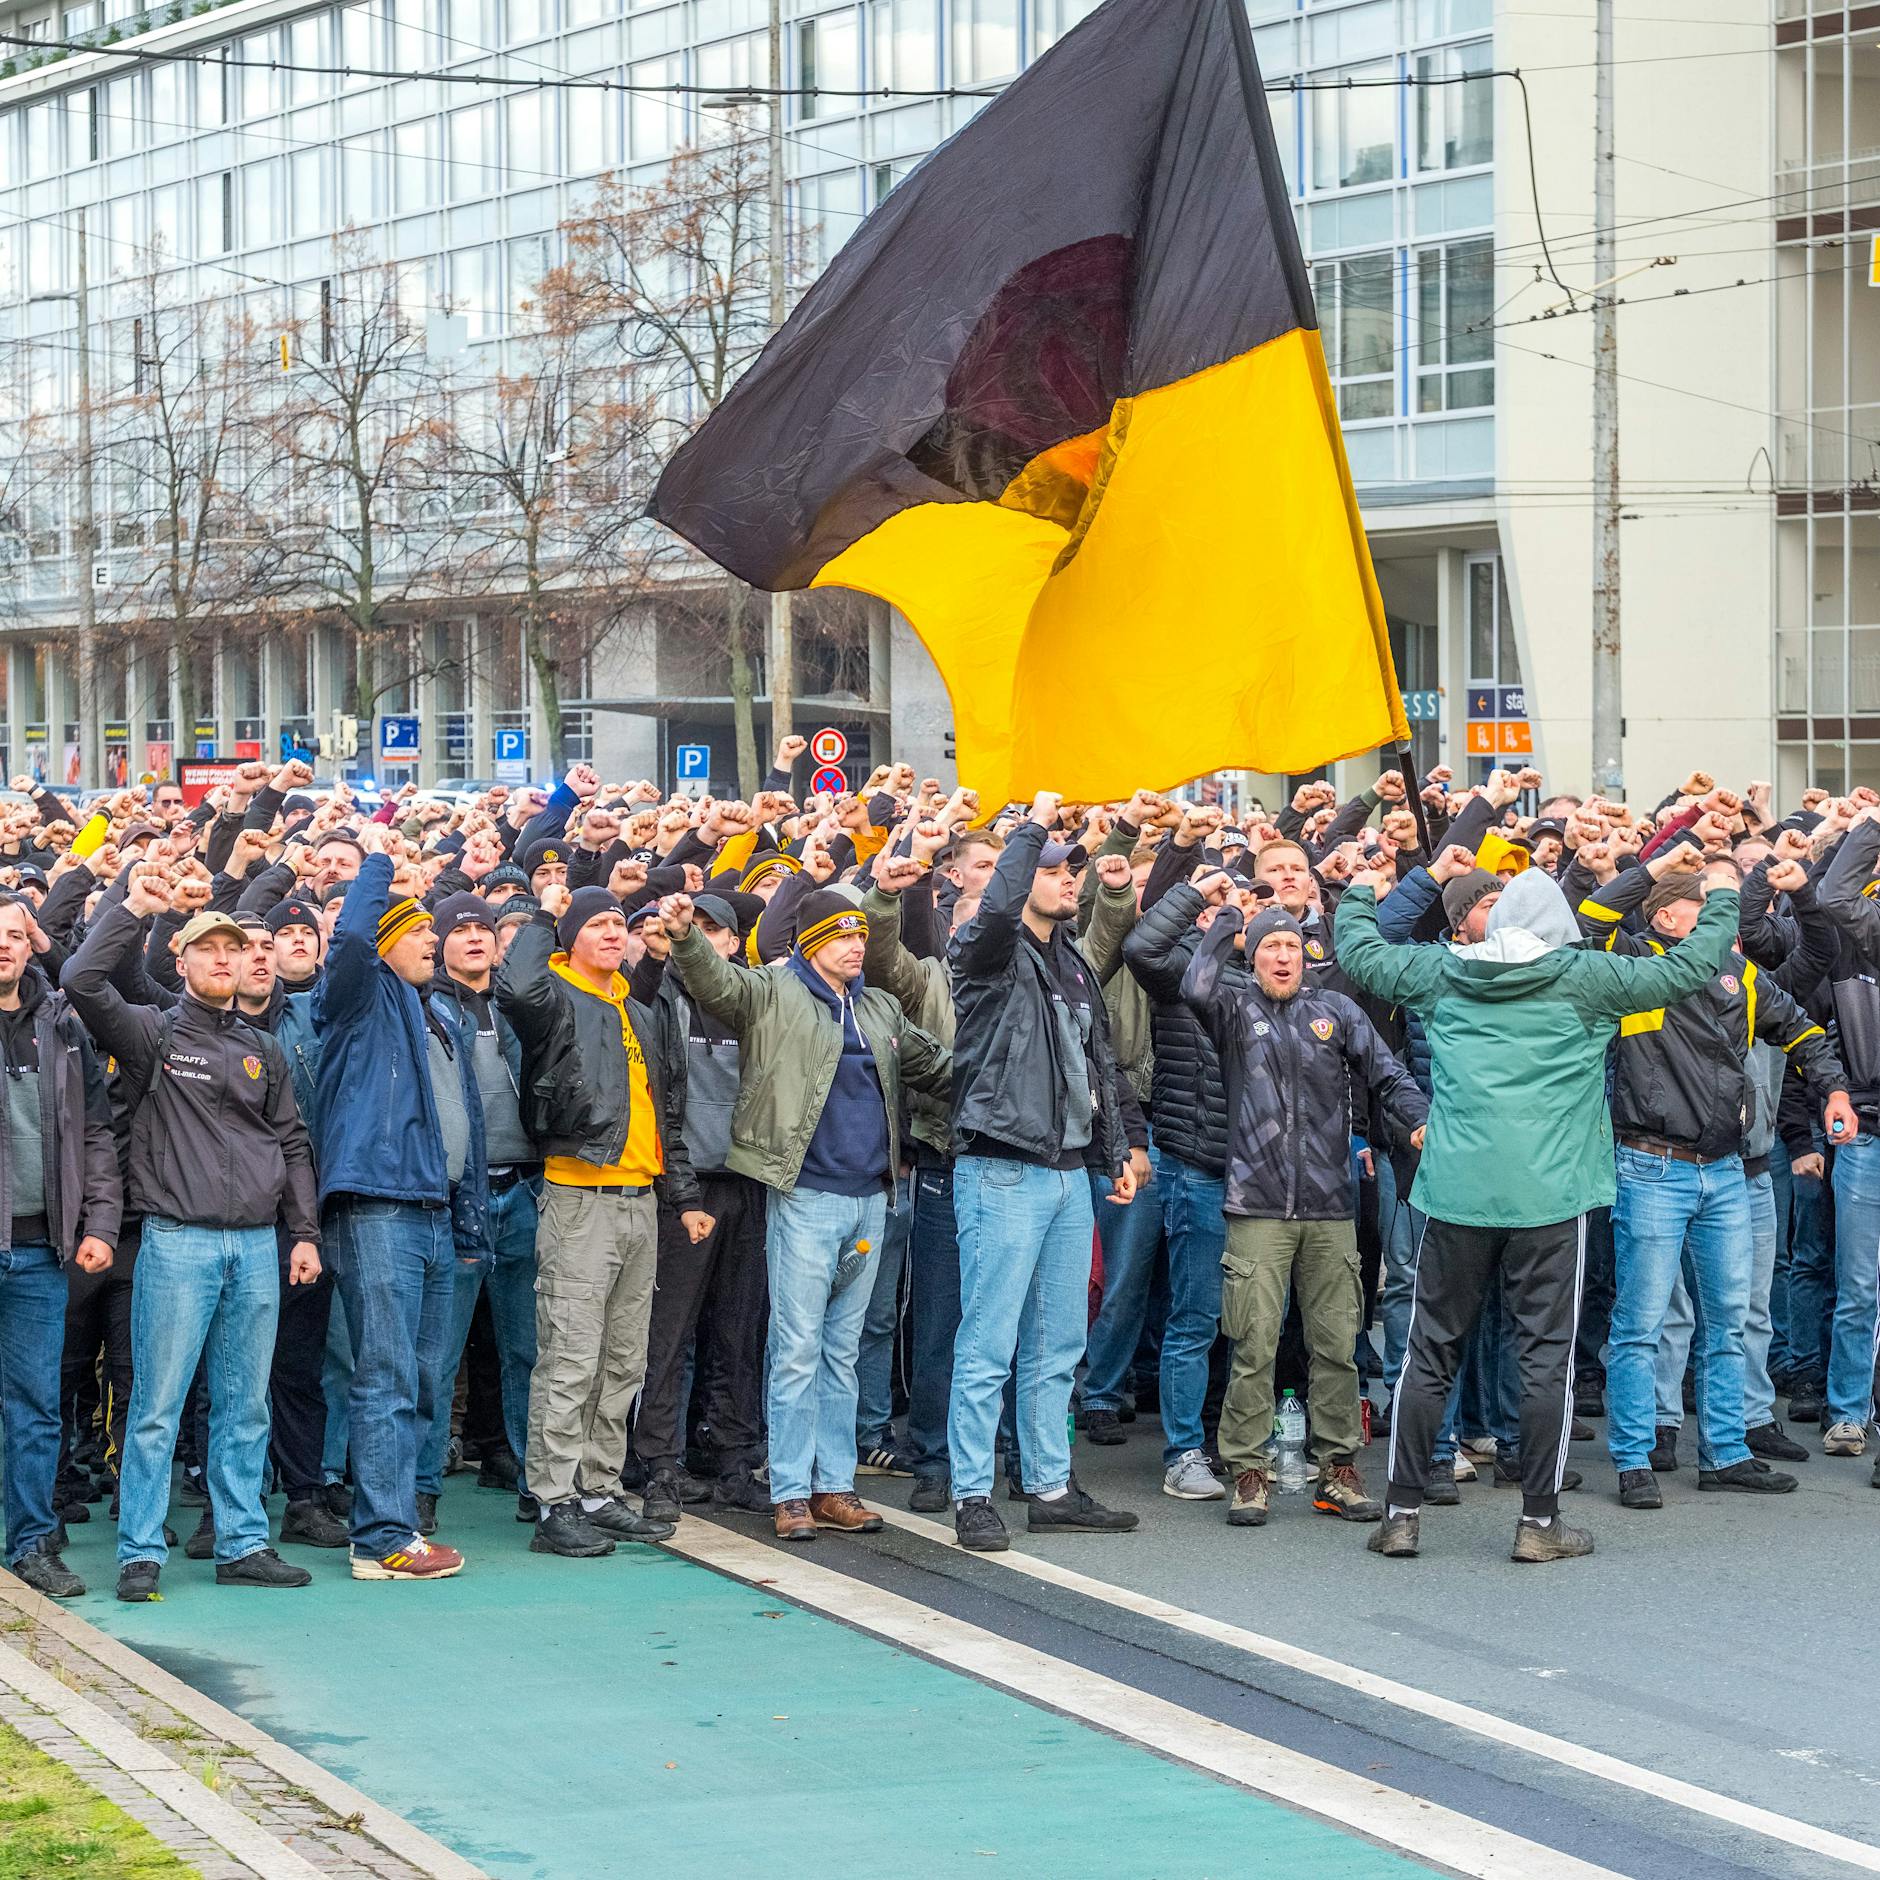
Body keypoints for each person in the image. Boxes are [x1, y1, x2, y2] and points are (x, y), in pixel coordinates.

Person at [1335, 860, 1743, 1564]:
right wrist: (1725, 896)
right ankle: (1539, 1524)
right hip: (1552, 1198)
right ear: (1558, 924)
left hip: (1458, 1191)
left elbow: (1362, 955)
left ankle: (1400, 1513)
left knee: (1428, 1354)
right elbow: (1688, 969)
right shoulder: (1587, 978)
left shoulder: (1448, 972)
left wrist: (1358, 893)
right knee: (1543, 1360)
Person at [663, 886, 950, 1543]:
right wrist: (684, 938)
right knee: (796, 1350)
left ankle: (833, 1487)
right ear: (813, 941)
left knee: (841, 1352)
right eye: (843, 937)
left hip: (869, 1199)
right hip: (806, 1195)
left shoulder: (877, 1007)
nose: (857, 947)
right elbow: (716, 983)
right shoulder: (771, 990)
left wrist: (1006, 1076)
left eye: (860, 936)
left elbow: (937, 1068)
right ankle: (791, 1491)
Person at [64, 873, 319, 1602]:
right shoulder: (153, 1033)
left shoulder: (263, 1049)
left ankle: (242, 1542)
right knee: (156, 1406)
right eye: (206, 948)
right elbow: (83, 978)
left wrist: (302, 1232)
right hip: (176, 1244)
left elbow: (293, 1145)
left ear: (245, 965)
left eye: (231, 950)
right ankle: (140, 1552)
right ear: (180, 960)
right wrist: (137, 908)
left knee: (246, 1405)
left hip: (256, 1248)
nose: (220, 959)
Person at [1574, 845, 1852, 1509]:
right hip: (1650, 1166)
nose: (1725, 917)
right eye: (1709, 904)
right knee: (1640, 1323)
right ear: (1669, 919)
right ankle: (1635, 1457)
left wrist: (1835, 1089)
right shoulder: (1634, 963)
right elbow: (1589, 917)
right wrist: (1658, 858)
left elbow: (1804, 1034)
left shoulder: (1740, 973)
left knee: (1728, 1320)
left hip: (1727, 1170)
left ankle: (1726, 1451)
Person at [1179, 873, 1427, 1529]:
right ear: (1250, 955)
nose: (1282, 955)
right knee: (1254, 1346)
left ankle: (1338, 1472)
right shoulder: (1233, 1011)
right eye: (1269, 946)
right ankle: (1249, 1474)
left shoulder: (1336, 1011)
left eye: (1291, 944)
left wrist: (1417, 1118)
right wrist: (1233, 915)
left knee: (1336, 1348)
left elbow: (1387, 1071)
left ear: (1306, 954)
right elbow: (1193, 986)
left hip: (1328, 1207)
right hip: (1256, 1207)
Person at [946, 794, 1141, 1554]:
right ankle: (972, 1494)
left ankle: (1050, 1485)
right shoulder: (986, 950)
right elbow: (993, 916)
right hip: (1002, 1168)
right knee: (988, 1342)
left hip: (1064, 1175)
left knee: (1059, 1343)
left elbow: (1098, 1065)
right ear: (1022, 876)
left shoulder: (1070, 963)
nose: (1069, 879)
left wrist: (1114, 1153)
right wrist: (1032, 828)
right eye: (1054, 869)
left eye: (1073, 869)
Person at [494, 882, 688, 1557]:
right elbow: (514, 988)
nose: (612, 932)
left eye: (617, 923)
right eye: (596, 924)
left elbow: (667, 1109)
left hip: (640, 1199)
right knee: (570, 1356)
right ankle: (553, 1500)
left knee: (622, 1360)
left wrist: (680, 1196)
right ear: (570, 936)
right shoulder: (553, 996)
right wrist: (546, 913)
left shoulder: (638, 1010)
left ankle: (600, 1489)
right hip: (580, 1198)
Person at [313, 837, 482, 1582]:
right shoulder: (356, 992)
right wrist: (380, 863)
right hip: (380, 1208)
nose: (433, 942)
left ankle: (398, 1523)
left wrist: (468, 1213)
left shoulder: (435, 1012)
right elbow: (350, 933)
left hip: (437, 1211)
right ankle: (379, 1536)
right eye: (418, 930)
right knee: (383, 1375)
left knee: (421, 1377)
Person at [632, 891, 772, 1521]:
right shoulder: (663, 998)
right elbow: (663, 1105)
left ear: (735, 942)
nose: (699, 936)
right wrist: (681, 1188)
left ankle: (732, 1454)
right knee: (668, 1335)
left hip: (749, 1182)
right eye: (693, 928)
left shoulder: (754, 1002)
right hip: (683, 1187)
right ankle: (660, 1462)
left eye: (714, 929)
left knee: (740, 1332)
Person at [0, 898, 120, 1600]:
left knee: (36, 1407)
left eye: (15, 936)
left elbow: (98, 1137)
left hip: (42, 1250)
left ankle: (32, 1544)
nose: (4, 947)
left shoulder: (64, 1029)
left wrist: (100, 1225)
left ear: (31, 946)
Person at [419, 893, 540, 1514]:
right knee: (438, 1356)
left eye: (483, 929)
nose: (473, 938)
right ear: (438, 943)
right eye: (458, 929)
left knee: (529, 1350)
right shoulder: (427, 1010)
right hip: (456, 1201)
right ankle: (421, 1491)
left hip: (523, 1191)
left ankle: (533, 1481)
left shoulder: (520, 1007)